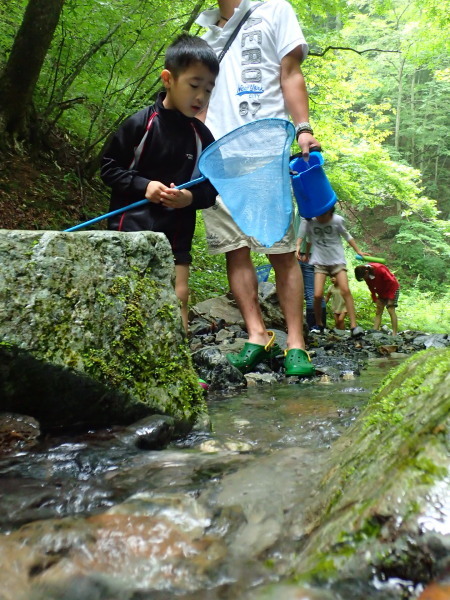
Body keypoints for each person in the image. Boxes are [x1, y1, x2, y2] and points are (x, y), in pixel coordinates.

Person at [195, 0, 319, 376]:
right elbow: (199, 102)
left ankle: (295, 342)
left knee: (280, 250)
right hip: (218, 157)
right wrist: (193, 148)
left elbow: (290, 71)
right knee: (234, 250)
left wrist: (303, 128)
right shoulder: (208, 34)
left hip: (265, 150)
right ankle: (257, 335)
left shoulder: (275, 9)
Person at [100, 34, 219, 333]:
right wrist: (144, 186)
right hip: (129, 227)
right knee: (126, 292)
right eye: (194, 85)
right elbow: (108, 168)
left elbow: (212, 187)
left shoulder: (203, 137)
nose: (201, 97)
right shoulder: (141, 123)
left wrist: (190, 198)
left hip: (176, 232)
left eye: (208, 89)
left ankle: (177, 361)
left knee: (178, 294)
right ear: (168, 79)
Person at [296, 207, 366, 336]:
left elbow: (347, 236)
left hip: (337, 260)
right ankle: (319, 325)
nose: (320, 218)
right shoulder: (311, 221)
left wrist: (358, 251)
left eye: (323, 215)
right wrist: (300, 249)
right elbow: (306, 237)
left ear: (329, 211)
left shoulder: (337, 220)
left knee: (345, 290)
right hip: (320, 262)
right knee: (317, 295)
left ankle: (354, 326)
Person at [354, 263, 400, 335]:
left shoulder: (380, 269)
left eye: (363, 277)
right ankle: (375, 331)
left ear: (366, 272)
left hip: (392, 289)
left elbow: (392, 282)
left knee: (391, 310)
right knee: (378, 311)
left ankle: (394, 333)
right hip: (381, 291)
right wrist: (375, 298)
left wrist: (391, 298)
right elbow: (371, 287)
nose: (364, 279)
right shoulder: (367, 276)